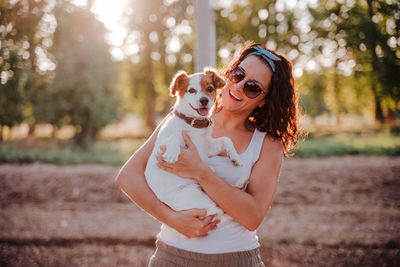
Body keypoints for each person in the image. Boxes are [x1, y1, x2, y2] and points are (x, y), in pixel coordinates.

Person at [115, 43, 301, 266]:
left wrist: (201, 172)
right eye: (238, 74)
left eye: (252, 87)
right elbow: (127, 177)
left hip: (237, 260)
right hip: (173, 257)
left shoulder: (267, 143)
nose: (239, 86)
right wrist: (172, 219)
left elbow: (253, 217)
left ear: (264, 99)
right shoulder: (183, 118)